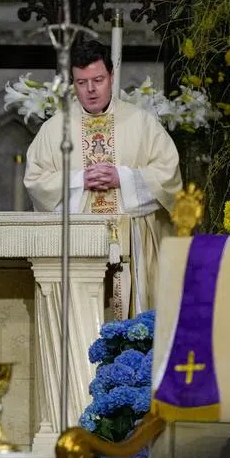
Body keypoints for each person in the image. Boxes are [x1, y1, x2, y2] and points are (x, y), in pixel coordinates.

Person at [24, 38, 181, 315]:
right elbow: (35, 180)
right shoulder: (53, 129)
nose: (91, 90)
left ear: (111, 76)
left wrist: (123, 178)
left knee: (132, 319)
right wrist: (79, 181)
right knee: (84, 321)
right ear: (73, 83)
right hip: (77, 244)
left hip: (133, 241)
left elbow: (169, 174)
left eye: (98, 79)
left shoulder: (142, 123)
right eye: (82, 82)